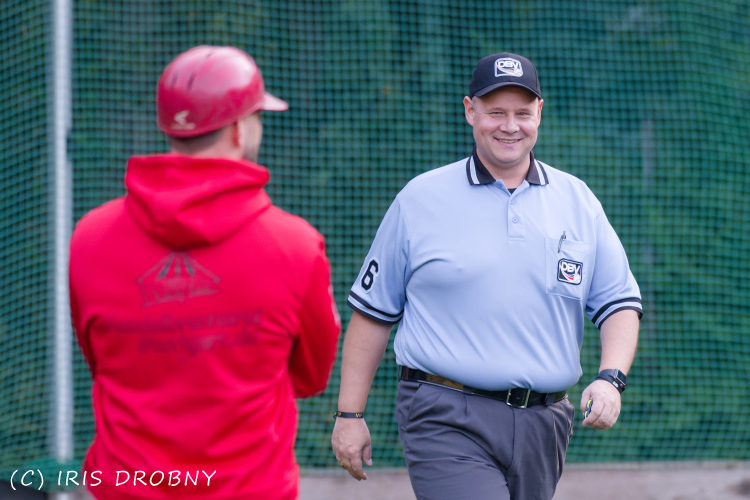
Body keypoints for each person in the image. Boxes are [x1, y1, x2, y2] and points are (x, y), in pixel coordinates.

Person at [331, 52, 641, 500]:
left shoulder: (578, 201)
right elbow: (373, 312)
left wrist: (610, 379)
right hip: (444, 412)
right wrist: (349, 415)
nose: (509, 126)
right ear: (470, 111)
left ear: (539, 113)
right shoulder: (420, 199)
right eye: (496, 112)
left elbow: (619, 303)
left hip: (545, 421)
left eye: (522, 113)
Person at [69, 46, 340, 500]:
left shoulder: (90, 237)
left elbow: (101, 361)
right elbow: (311, 378)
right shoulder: (295, 246)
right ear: (238, 130)